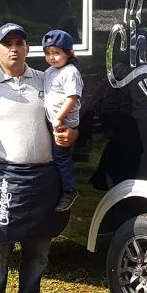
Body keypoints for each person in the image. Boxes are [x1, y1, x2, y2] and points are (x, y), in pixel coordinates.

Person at [0, 23, 77, 293]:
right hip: (6, 178)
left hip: (45, 178)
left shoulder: (47, 79)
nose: (14, 49)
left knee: (39, 250)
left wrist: (72, 134)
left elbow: (70, 119)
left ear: (28, 48)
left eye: (19, 43)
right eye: (7, 44)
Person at [41, 29, 83, 211]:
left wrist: (59, 119)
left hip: (64, 122)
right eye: (48, 53)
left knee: (61, 156)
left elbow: (72, 98)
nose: (52, 57)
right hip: (53, 120)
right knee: (52, 156)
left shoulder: (70, 72)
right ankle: (56, 189)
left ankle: (70, 189)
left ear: (68, 53)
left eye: (57, 53)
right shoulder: (50, 71)